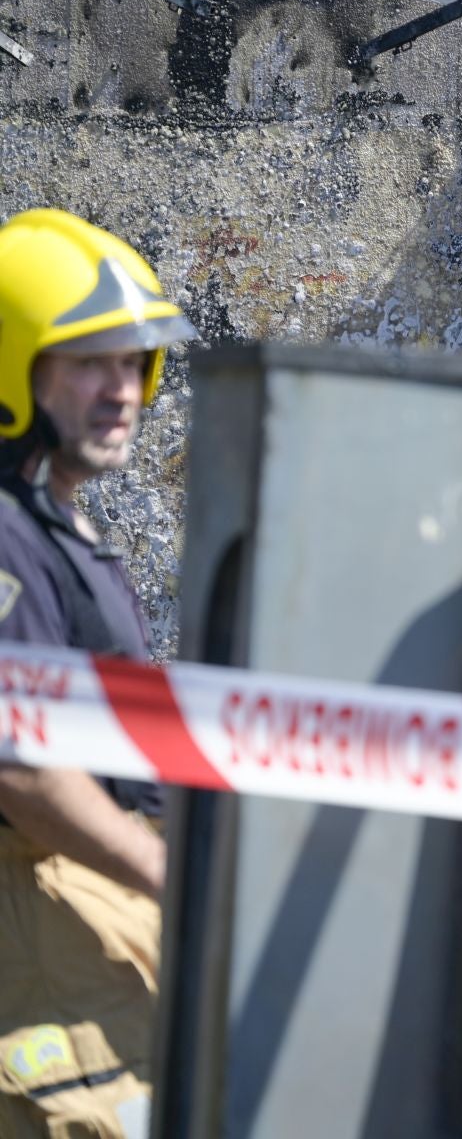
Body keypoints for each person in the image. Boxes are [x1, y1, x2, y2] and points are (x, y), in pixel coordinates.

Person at [0, 208, 197, 1138]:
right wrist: (169, 872)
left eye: (132, 362)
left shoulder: (52, 524)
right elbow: (21, 767)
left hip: (93, 902)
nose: (121, 389)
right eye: (88, 362)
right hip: (44, 910)